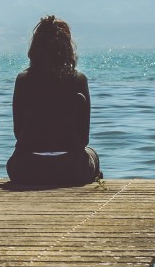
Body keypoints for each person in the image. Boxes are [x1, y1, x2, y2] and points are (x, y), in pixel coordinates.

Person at [6, 15, 101, 186]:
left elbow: (18, 133)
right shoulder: (78, 80)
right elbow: (84, 139)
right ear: (67, 48)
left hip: (27, 168)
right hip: (72, 168)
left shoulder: (23, 80)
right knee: (92, 153)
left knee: (15, 160)